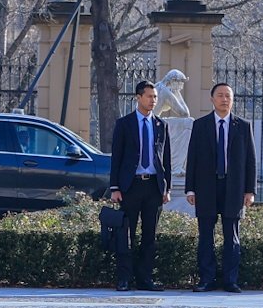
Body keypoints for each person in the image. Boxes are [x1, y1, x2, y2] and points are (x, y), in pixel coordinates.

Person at [185, 81, 255, 293]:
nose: (225, 99)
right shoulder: (200, 125)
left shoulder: (242, 126)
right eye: (221, 95)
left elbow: (250, 160)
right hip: (207, 187)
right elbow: (193, 158)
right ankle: (207, 279)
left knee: (231, 236)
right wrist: (190, 188)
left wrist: (249, 190)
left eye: (228, 96)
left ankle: (230, 280)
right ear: (212, 99)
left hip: (233, 188)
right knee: (206, 235)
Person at [108, 79, 171, 292]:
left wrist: (166, 188)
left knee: (149, 235)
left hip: (153, 186)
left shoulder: (161, 125)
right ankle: (124, 278)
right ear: (138, 98)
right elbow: (116, 157)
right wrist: (115, 187)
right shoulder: (124, 124)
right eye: (149, 96)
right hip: (130, 186)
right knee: (126, 234)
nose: (153, 100)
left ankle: (145, 278)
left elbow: (166, 160)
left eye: (155, 97)